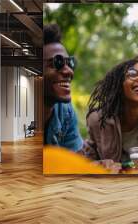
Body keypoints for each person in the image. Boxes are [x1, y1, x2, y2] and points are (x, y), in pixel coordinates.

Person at [43, 24, 83, 152]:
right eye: (57, 62)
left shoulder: (66, 111)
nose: (68, 71)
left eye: (70, 63)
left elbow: (74, 160)